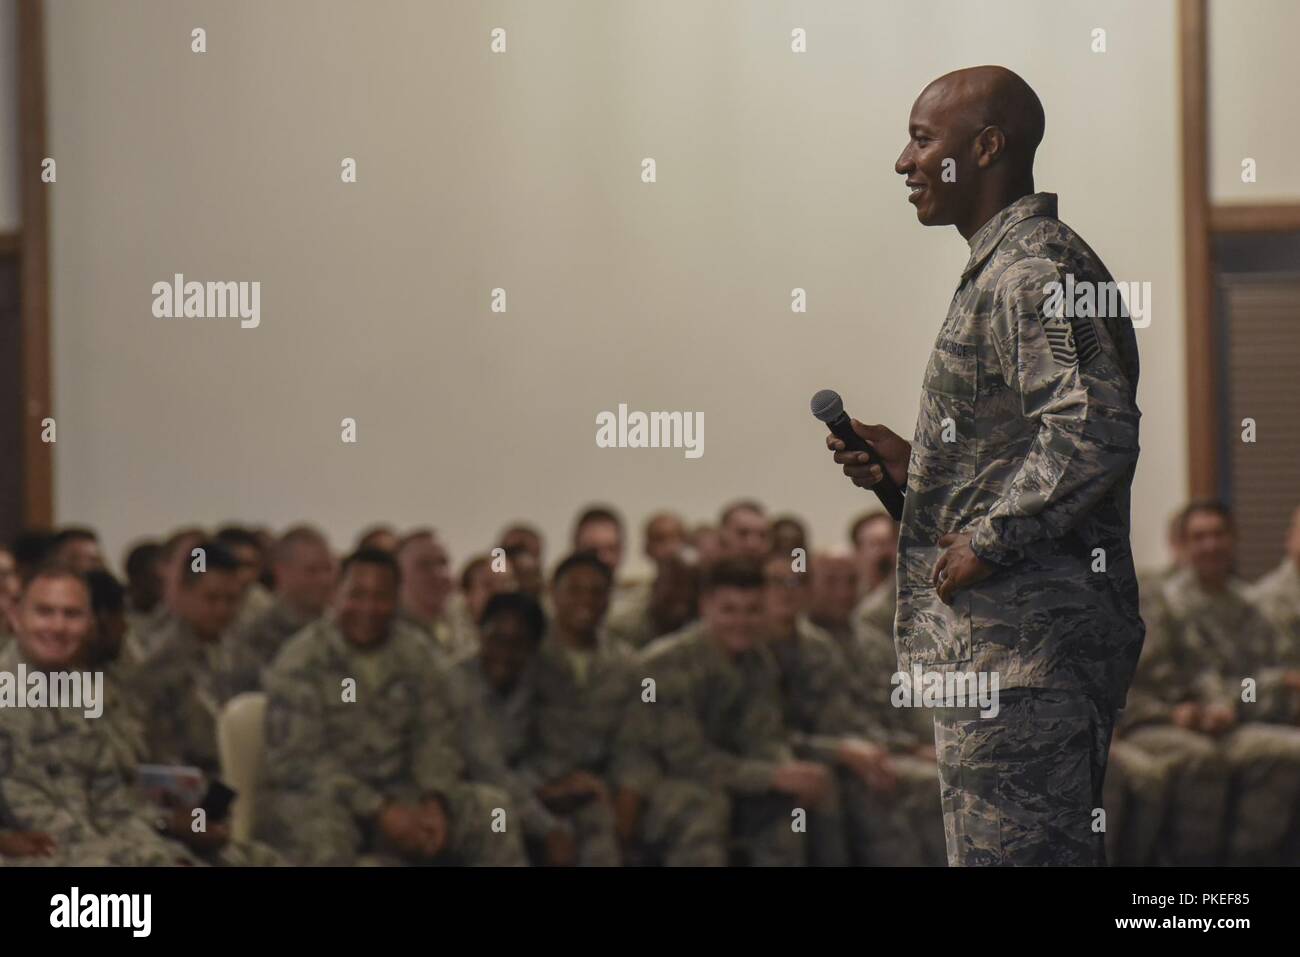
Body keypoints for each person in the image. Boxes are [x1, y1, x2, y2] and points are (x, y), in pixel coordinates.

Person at [827, 66, 1143, 866]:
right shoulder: (1001, 267)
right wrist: (918, 472)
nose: (904, 161)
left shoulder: (1033, 270)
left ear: (987, 147)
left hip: (1027, 655)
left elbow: (1094, 428)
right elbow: (1031, 444)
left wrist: (991, 539)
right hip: (998, 652)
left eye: (923, 139)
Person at [257, 549, 526, 866]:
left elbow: (436, 735)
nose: (369, 608)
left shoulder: (417, 653)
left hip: (405, 796)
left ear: (396, 599)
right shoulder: (301, 660)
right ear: (336, 595)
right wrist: (378, 809)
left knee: (493, 811)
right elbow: (299, 762)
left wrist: (434, 800)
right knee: (323, 835)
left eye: (381, 596)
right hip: (329, 801)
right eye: (357, 594)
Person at [0, 566, 200, 866]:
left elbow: (113, 802)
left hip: (99, 844)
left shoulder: (85, 691)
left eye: (72, 615)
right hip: (37, 854)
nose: (58, 626)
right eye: (44, 612)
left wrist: (162, 831)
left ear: (89, 623)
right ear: (16, 617)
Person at [638, 557, 831, 865]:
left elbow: (765, 736)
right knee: (706, 807)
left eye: (752, 610)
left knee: (793, 804)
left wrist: (790, 771)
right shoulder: (665, 665)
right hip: (658, 783)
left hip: (727, 777)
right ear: (705, 607)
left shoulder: (758, 660)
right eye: (728, 610)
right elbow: (687, 760)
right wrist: (774, 776)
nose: (741, 621)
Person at [229, 525, 336, 692]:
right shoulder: (256, 637)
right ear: (282, 572)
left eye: (328, 569)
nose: (324, 580)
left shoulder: (342, 630)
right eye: (312, 571)